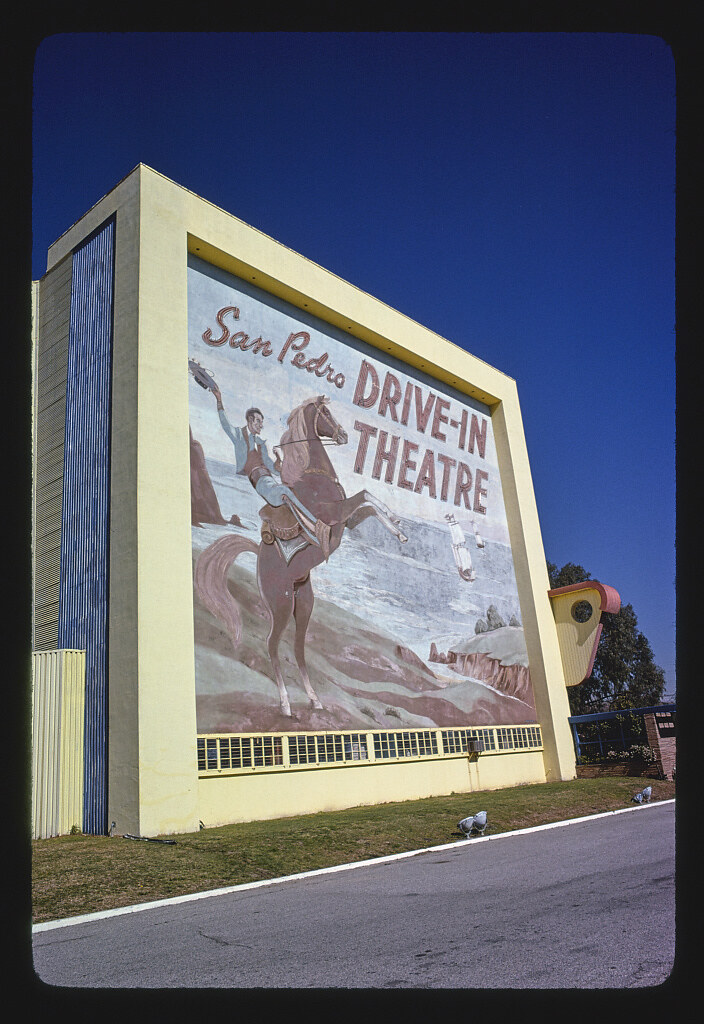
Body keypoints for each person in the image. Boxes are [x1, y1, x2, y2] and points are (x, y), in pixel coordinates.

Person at [211, 385, 331, 557]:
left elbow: (274, 469)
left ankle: (308, 531)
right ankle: (316, 529)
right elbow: (224, 423)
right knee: (284, 490)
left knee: (295, 489)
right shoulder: (239, 435)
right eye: (258, 421)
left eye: (262, 422)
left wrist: (278, 461)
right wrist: (219, 400)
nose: (261, 425)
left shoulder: (261, 444)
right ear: (249, 421)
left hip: (270, 480)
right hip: (261, 483)